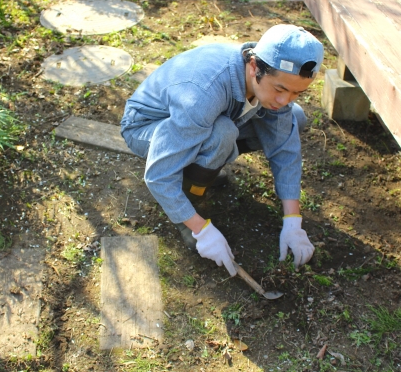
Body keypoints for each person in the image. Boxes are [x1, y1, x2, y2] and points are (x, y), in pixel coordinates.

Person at [120, 25, 323, 277]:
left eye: (297, 92)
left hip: (206, 121)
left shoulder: (274, 78)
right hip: (148, 126)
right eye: (280, 90)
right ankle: (188, 205)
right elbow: (158, 174)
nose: (284, 100)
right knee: (221, 135)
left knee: (295, 117)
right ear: (253, 67)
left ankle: (202, 170)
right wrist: (200, 229)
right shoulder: (203, 94)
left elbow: (284, 146)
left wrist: (293, 221)